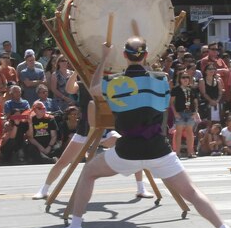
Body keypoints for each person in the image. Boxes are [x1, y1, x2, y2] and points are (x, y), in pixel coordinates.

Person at [56, 36, 231, 228]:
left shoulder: (116, 82)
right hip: (158, 149)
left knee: (89, 172)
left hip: (127, 150)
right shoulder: (161, 81)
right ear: (146, 55)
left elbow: (93, 88)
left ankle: (75, 226)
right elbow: (154, 99)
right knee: (191, 192)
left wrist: (104, 58)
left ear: (124, 56)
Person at [32, 71, 153, 200]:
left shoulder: (112, 84)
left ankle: (141, 188)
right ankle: (44, 190)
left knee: (134, 152)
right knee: (63, 162)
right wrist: (76, 72)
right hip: (85, 130)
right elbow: (69, 88)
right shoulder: (83, 84)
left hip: (106, 129)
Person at [170, 71, 200, 158]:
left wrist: (195, 112)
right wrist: (175, 113)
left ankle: (190, 152)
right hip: (180, 113)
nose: (185, 79)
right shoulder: (176, 89)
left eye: (187, 77)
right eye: (183, 77)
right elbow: (172, 102)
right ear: (180, 79)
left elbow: (195, 102)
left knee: (189, 132)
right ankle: (177, 153)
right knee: (178, 132)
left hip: (190, 113)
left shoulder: (192, 89)